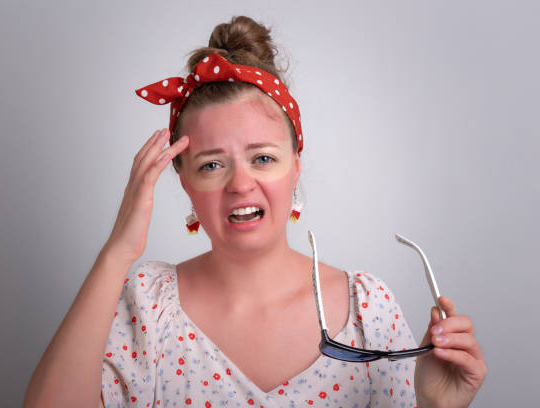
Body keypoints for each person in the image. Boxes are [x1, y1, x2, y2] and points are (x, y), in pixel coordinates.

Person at [24, 16, 486, 408]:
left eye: (263, 158)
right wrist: (117, 251)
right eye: (211, 165)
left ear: (296, 167)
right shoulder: (149, 304)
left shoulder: (368, 310)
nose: (241, 184)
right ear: (184, 182)